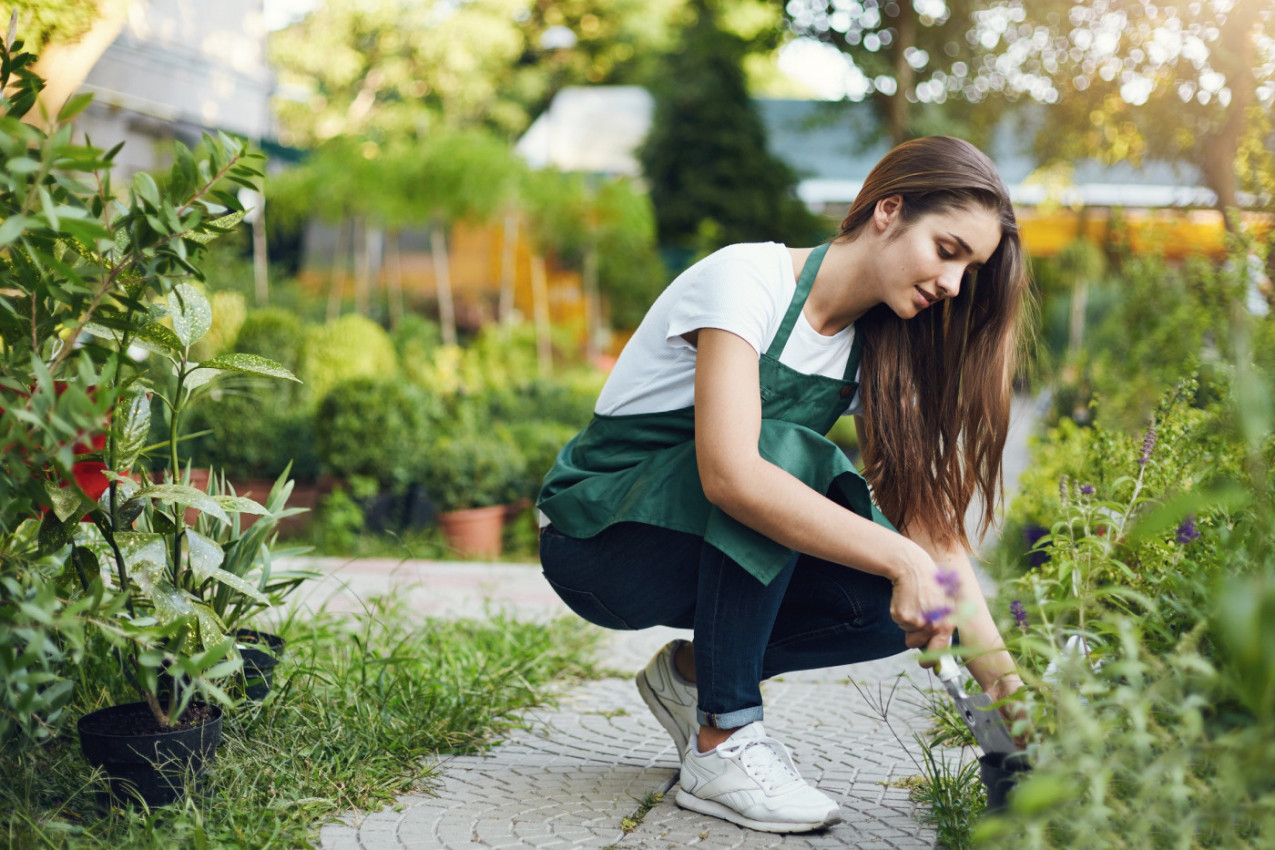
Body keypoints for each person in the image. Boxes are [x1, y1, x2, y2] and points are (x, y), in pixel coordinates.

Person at [536, 136, 1028, 834]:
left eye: (968, 268)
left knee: (883, 604)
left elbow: (933, 532)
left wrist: (1007, 690)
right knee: (787, 456)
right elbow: (732, 475)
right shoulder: (748, 280)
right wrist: (902, 557)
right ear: (888, 211)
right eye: (947, 250)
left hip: (690, 541)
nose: (953, 284)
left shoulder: (877, 349)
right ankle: (722, 739)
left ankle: (693, 676)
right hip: (598, 540)